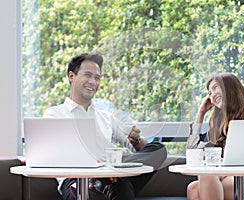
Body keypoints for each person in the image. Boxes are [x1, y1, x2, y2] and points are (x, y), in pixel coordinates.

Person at [43, 52, 167, 200]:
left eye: (97, 78)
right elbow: (52, 156)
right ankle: (108, 175)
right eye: (87, 75)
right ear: (71, 76)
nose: (93, 82)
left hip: (111, 178)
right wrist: (98, 169)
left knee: (158, 149)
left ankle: (111, 173)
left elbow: (142, 149)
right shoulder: (54, 114)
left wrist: (136, 140)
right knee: (121, 185)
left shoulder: (106, 117)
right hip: (75, 181)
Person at [186, 73, 244, 200]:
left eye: (215, 88)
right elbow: (193, 151)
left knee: (205, 176)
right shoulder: (219, 123)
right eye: (210, 93)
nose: (212, 95)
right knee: (193, 188)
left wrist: (224, 164)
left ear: (229, 87)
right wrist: (201, 113)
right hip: (227, 174)